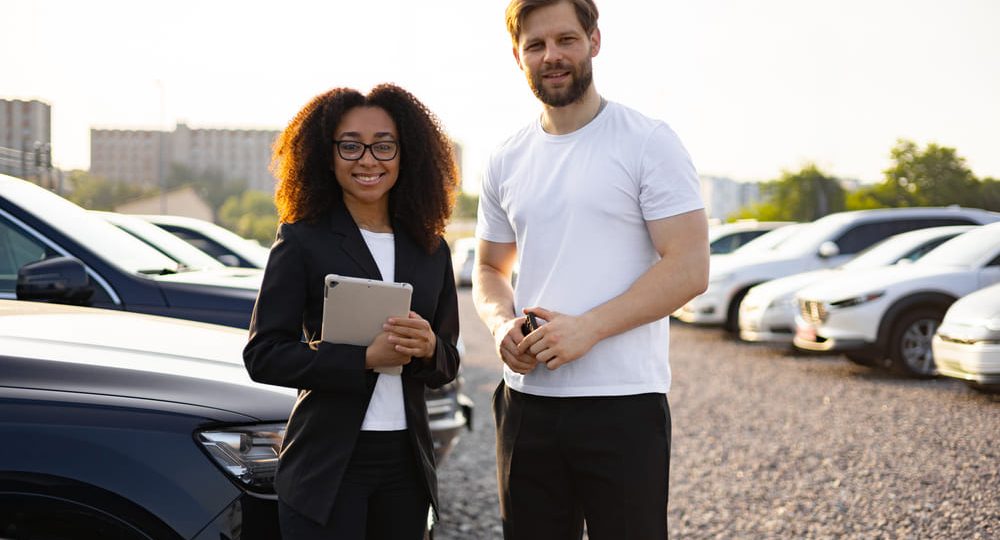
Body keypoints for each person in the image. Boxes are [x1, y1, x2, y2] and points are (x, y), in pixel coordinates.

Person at [473, 1, 710, 538]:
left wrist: (589, 329)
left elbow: (690, 267)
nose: (551, 56)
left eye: (566, 40)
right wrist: (501, 324)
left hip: (623, 403)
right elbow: (489, 267)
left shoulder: (647, 140)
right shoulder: (505, 157)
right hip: (526, 403)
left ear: (594, 41)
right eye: (536, 45)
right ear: (518, 56)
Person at [244, 83, 461, 539]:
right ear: (327, 155)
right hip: (327, 466)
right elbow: (264, 354)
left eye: (383, 145)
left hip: (406, 466)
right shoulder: (302, 238)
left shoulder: (431, 248)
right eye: (350, 146)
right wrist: (363, 359)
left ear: (405, 154)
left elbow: (448, 362)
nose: (368, 160)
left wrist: (428, 348)